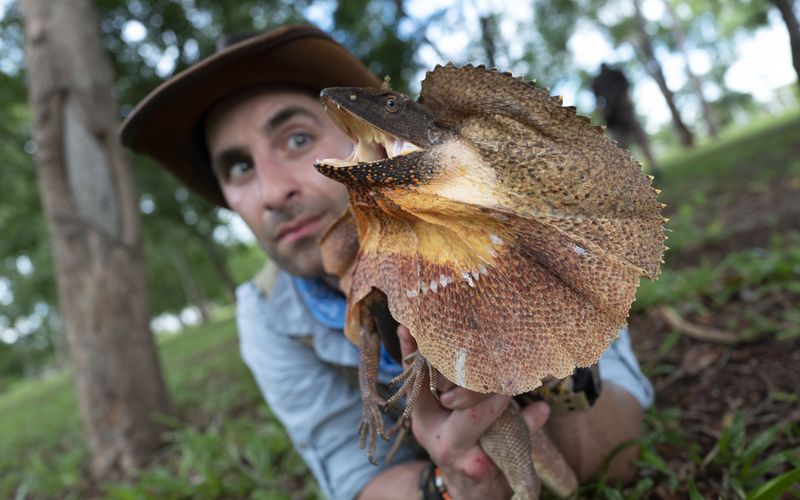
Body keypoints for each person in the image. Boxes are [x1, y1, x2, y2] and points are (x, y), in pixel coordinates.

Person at [120, 25, 654, 499]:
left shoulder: (509, 230)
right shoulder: (267, 315)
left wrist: (534, 365)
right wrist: (446, 485)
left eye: (297, 137)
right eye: (238, 167)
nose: (272, 191)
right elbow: (355, 477)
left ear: (374, 142)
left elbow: (623, 448)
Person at [592, 63, 659, 175]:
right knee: (622, 147)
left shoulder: (616, 74)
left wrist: (625, 101)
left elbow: (626, 88)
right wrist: (604, 111)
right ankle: (633, 174)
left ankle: (654, 167)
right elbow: (597, 99)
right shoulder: (596, 82)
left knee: (641, 138)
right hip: (613, 118)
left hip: (626, 112)